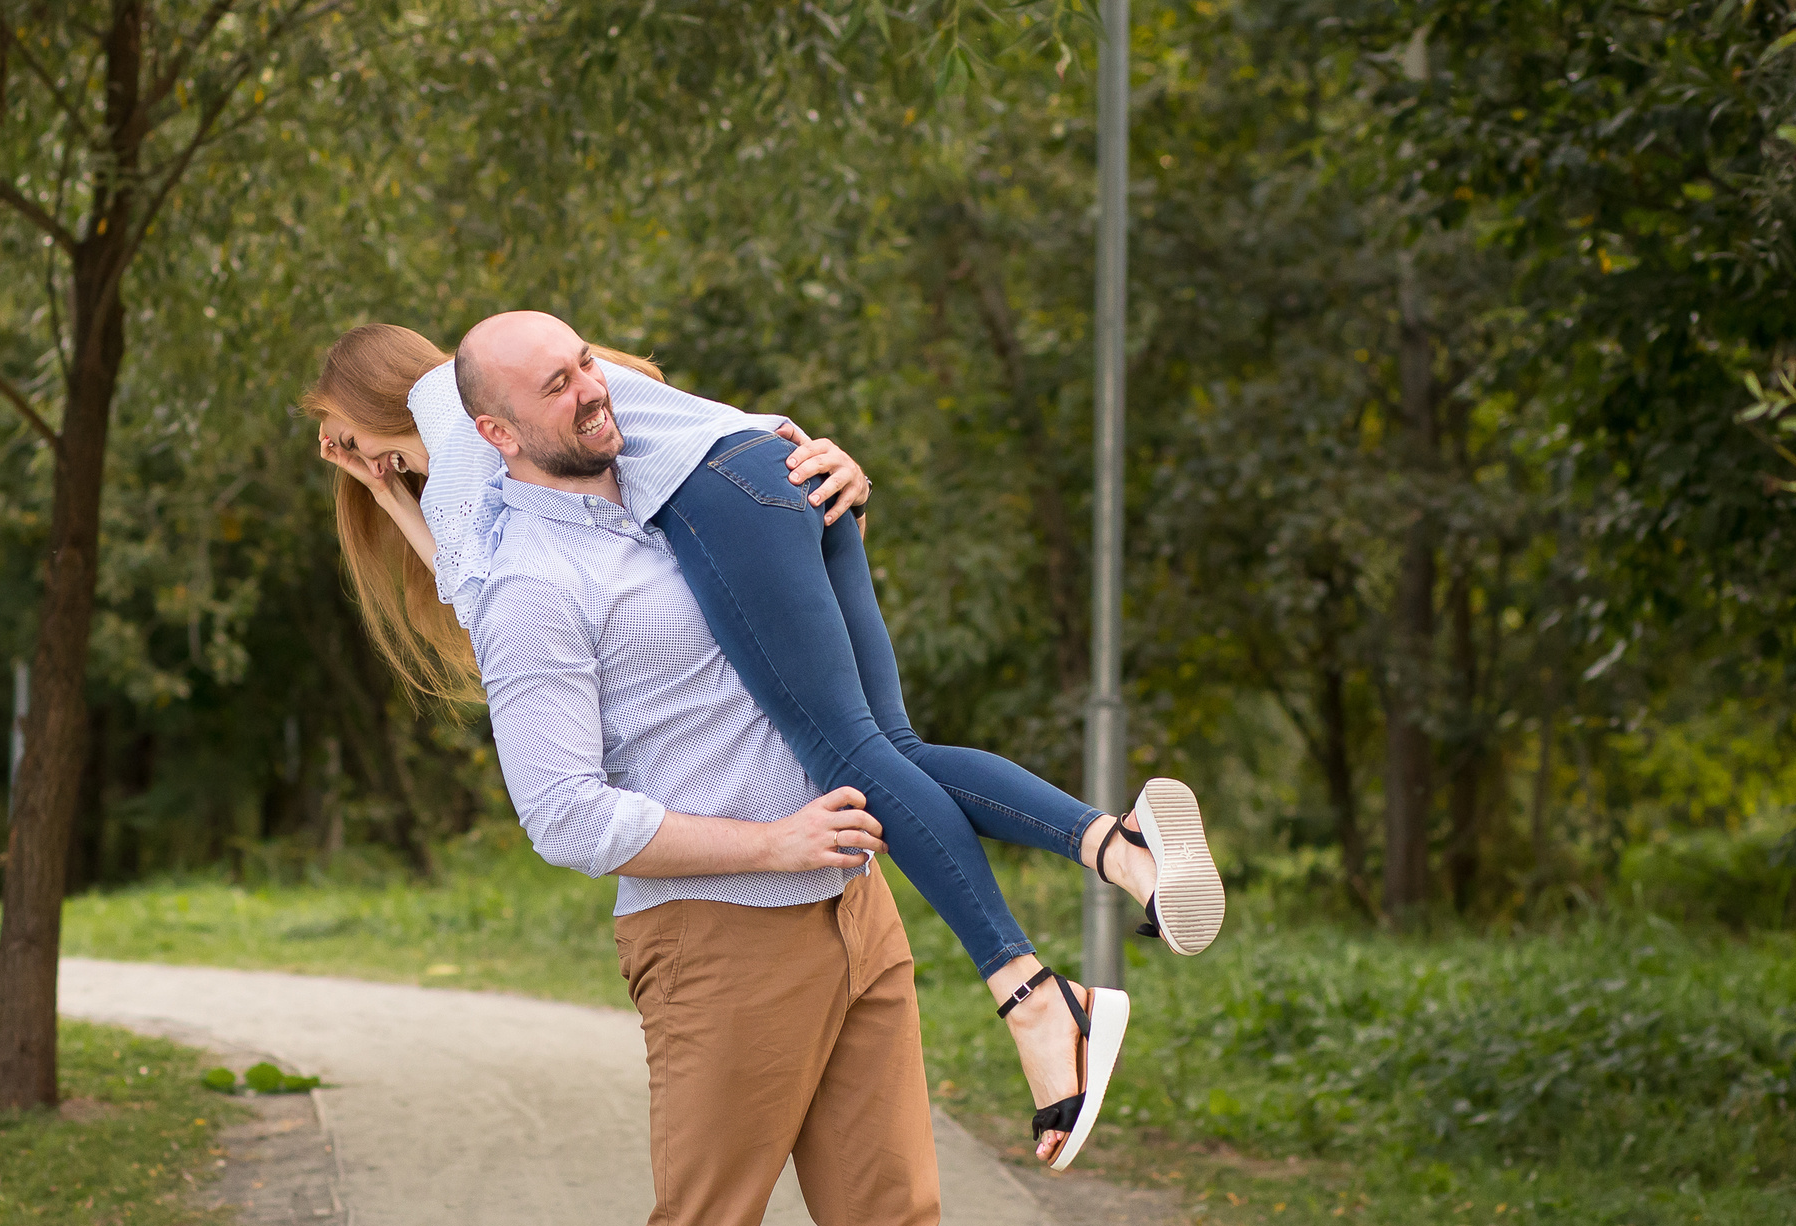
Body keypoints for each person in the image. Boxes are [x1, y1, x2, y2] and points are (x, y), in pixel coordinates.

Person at [302, 318, 1225, 1173]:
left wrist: (381, 490)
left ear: (369, 416)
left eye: (348, 436)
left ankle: (1033, 999)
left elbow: (477, 590)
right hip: (780, 472)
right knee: (891, 747)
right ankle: (1119, 844)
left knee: (852, 764)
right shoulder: (538, 374)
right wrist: (384, 478)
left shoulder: (457, 414)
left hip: (726, 505)